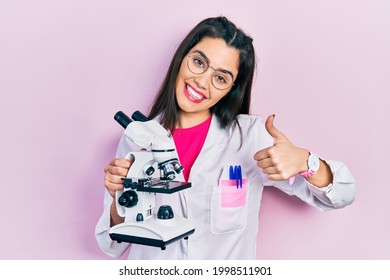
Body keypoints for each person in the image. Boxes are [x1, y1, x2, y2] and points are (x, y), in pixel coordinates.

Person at [95, 16, 356, 259]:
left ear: (232, 89)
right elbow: (111, 245)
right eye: (198, 62)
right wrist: (120, 197)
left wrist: (305, 161)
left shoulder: (250, 138)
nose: (201, 82)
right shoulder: (138, 137)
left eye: (220, 77)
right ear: (181, 58)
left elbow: (343, 194)